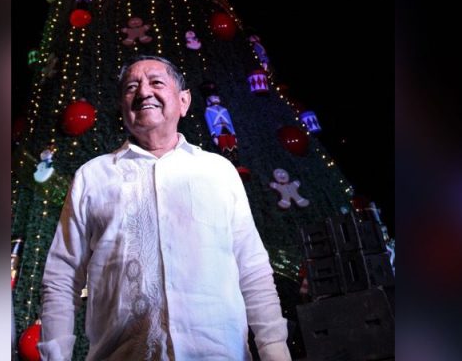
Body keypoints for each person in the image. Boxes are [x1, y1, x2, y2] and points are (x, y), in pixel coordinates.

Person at [38, 55, 291, 360]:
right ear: (122, 107)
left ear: (183, 101)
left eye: (156, 82)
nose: (144, 92)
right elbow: (62, 277)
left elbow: (252, 269)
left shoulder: (219, 171)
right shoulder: (92, 177)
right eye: (132, 87)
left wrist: (275, 351)